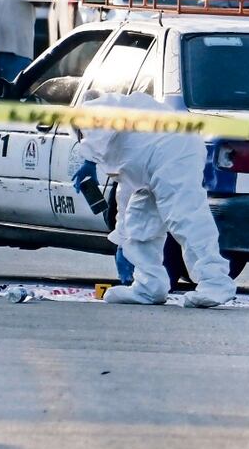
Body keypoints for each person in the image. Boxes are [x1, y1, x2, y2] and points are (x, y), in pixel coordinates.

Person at [71, 89, 237, 308]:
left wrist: (89, 162)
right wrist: (122, 242)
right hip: (153, 167)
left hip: (172, 152)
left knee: (185, 218)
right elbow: (125, 196)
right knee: (138, 221)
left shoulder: (102, 106)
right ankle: (149, 287)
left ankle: (216, 282)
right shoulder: (123, 140)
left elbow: (96, 118)